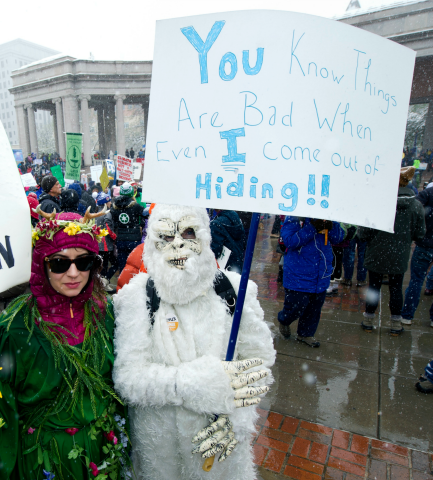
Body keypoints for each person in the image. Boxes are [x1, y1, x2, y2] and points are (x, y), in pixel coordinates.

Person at [0, 208, 130, 479]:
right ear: (42, 264)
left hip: (103, 453)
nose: (73, 273)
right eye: (60, 263)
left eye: (84, 262)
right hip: (44, 458)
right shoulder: (16, 325)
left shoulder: (107, 313)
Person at [113, 204, 275, 480]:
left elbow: (258, 365)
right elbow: (128, 379)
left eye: (188, 233)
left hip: (221, 454)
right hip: (161, 459)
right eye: (165, 236)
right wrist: (190, 383)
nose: (177, 244)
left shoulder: (233, 289)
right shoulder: (136, 298)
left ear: (205, 237)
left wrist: (237, 420)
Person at [359, 167, 426, 335]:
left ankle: (368, 320)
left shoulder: (378, 203)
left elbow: (363, 233)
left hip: (377, 252)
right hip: (400, 253)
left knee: (374, 288)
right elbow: (420, 234)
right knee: (396, 288)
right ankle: (396, 324)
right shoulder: (416, 206)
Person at [277, 217, 345, 347]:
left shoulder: (329, 215)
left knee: (314, 306)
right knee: (296, 305)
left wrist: (332, 227)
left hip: (321, 272)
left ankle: (306, 333)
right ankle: (284, 320)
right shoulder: (295, 217)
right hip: (298, 271)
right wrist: (312, 228)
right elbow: (290, 241)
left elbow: (338, 238)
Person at [401, 182, 433, 327]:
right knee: (416, 281)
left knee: (416, 281)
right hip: (424, 243)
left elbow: (414, 208)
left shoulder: (427, 194)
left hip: (424, 244)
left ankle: (407, 316)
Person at [110, 183, 145, 272]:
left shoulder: (114, 206)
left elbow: (114, 222)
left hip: (121, 239)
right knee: (134, 265)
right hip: (134, 239)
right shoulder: (136, 206)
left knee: (122, 266)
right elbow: (145, 215)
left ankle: (123, 284)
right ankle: (132, 283)